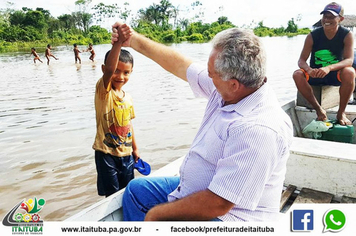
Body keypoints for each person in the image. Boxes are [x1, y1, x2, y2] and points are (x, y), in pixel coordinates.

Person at [112, 23, 293, 221]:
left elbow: (219, 203)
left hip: (231, 218)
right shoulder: (233, 89)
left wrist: (155, 215)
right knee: (137, 192)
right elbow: (182, 65)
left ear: (233, 84)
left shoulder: (260, 129)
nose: (207, 77)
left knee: (155, 214)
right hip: (202, 190)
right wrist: (134, 40)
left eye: (211, 74)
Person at [92, 24, 140, 198]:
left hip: (126, 155)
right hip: (106, 154)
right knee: (111, 197)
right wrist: (118, 44)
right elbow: (110, 70)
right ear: (104, 70)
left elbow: (129, 124)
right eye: (116, 71)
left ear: (131, 72)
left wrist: (135, 149)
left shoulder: (127, 97)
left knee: (127, 194)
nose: (120, 76)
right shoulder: (104, 91)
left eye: (126, 72)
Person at [292, 2, 355, 125]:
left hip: (334, 74)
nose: (326, 20)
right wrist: (309, 70)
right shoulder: (312, 36)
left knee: (350, 72)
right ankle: (319, 110)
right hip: (315, 74)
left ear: (340, 19)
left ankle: (341, 113)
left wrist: (329, 68)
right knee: (297, 75)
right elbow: (301, 61)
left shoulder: (347, 35)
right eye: (325, 16)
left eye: (331, 17)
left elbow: (349, 60)